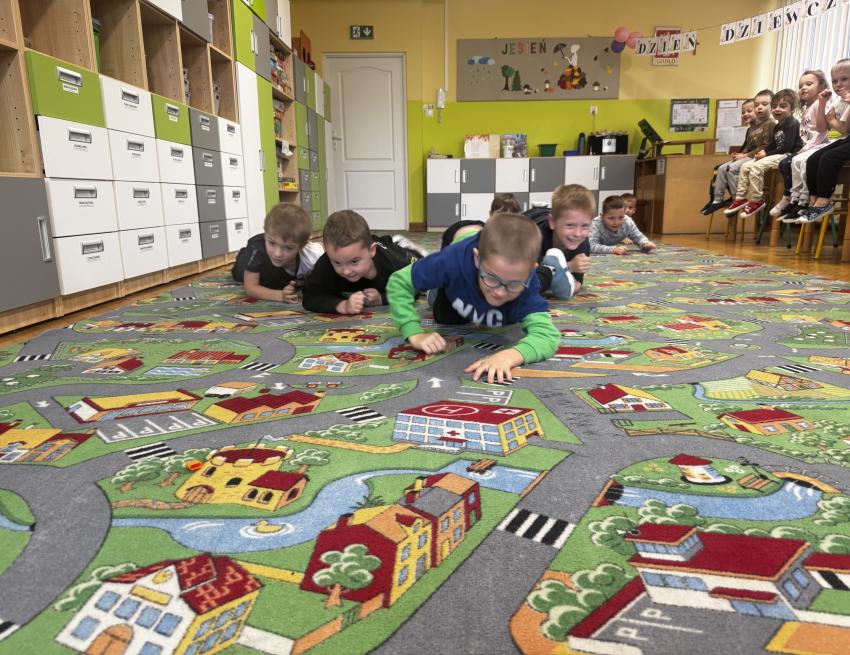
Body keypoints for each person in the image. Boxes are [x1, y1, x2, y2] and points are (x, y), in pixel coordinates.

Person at [387, 212, 560, 384]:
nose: (500, 292)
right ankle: (432, 268)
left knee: (526, 299)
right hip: (458, 243)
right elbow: (399, 282)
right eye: (492, 278)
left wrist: (511, 356)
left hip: (487, 247)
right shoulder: (452, 261)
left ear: (530, 271)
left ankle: (549, 269)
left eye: (513, 283)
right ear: (477, 259)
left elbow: (547, 337)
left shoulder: (528, 283)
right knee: (444, 314)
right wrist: (414, 333)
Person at [301, 210, 424, 314]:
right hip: (370, 244)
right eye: (337, 263)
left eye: (354, 262)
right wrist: (342, 305)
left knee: (421, 264)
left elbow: (415, 288)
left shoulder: (393, 265)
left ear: (371, 251)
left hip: (395, 252)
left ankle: (399, 242)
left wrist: (383, 298)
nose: (346, 271)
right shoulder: (328, 261)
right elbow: (310, 296)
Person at [725, 88, 802, 219]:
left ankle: (756, 201)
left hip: (788, 154)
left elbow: (786, 147)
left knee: (756, 167)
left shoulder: (792, 123)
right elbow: (773, 144)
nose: (777, 109)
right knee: (745, 166)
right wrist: (764, 151)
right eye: (774, 106)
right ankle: (740, 198)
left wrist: (766, 154)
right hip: (777, 154)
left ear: (792, 108)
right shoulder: (778, 126)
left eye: (782, 106)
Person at [770, 70, 831, 221]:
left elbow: (822, 132)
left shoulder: (820, 105)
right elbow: (806, 133)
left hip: (819, 146)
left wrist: (806, 148)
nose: (803, 87)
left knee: (798, 162)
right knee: (786, 163)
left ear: (821, 86)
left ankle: (803, 200)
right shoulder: (806, 108)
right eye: (801, 85)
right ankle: (793, 199)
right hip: (809, 146)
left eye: (808, 84)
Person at [231, 203, 323, 302]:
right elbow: (251, 288)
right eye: (272, 243)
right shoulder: (258, 250)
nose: (277, 254)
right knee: (239, 274)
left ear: (301, 246)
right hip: (254, 259)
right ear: (265, 235)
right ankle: (242, 253)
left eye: (288, 248)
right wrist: (280, 295)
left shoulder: (312, 256)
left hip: (281, 274)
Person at [796, 58, 850, 223]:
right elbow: (832, 126)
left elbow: (843, 128)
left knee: (828, 157)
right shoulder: (840, 101)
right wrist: (822, 103)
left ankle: (824, 202)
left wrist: (832, 120)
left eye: (844, 79)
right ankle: (813, 200)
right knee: (814, 159)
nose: (838, 84)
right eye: (835, 81)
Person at [701, 93, 773, 215]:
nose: (745, 114)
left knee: (731, 168)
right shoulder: (750, 129)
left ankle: (738, 199)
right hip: (748, 156)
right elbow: (747, 147)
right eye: (743, 112)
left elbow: (765, 147)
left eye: (749, 111)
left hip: (757, 158)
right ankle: (717, 200)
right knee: (721, 168)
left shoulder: (769, 124)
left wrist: (744, 156)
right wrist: (740, 154)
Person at [527, 183, 595, 297]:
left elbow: (576, 284)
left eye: (585, 226)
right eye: (570, 225)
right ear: (552, 222)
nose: (578, 234)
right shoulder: (534, 238)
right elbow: (528, 281)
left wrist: (562, 275)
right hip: (524, 223)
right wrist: (569, 267)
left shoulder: (582, 243)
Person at [438, 193, 520, 250]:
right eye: (500, 214)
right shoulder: (475, 236)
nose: (505, 219)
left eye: (511, 216)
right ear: (490, 214)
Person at [589, 194, 656, 254]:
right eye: (611, 218)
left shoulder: (627, 222)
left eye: (621, 217)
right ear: (602, 217)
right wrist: (612, 249)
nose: (616, 222)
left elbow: (639, 237)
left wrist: (645, 244)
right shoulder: (596, 224)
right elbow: (591, 246)